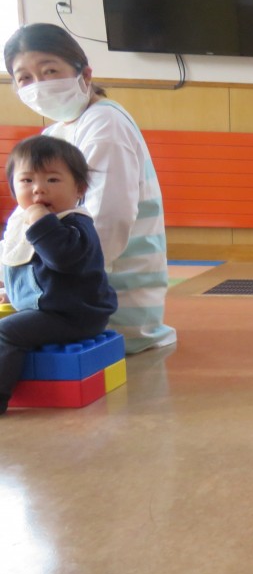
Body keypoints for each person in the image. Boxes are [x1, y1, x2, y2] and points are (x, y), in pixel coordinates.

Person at [4, 23, 175, 354]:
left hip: (97, 304)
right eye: (24, 78)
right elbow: (23, 218)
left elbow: (107, 224)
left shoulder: (105, 123)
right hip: (55, 288)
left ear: (84, 74)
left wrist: (55, 286)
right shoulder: (54, 134)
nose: (39, 86)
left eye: (50, 71)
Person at [0, 135, 117, 414]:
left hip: (76, 316)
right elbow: (21, 263)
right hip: (47, 310)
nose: (39, 189)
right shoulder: (22, 221)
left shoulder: (75, 225)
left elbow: (60, 258)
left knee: (5, 333)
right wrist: (10, 290)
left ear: (79, 189)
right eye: (27, 181)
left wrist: (40, 222)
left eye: (52, 180)